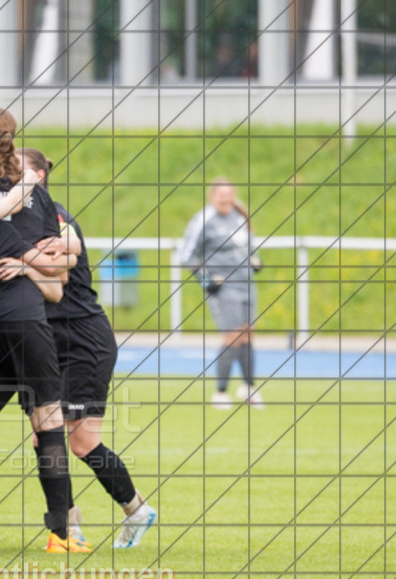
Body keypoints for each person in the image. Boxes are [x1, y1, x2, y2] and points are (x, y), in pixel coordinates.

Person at [20, 147, 158, 549]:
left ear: (38, 177)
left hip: (83, 340)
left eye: (18, 172)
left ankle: (132, 511)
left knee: (80, 441)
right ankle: (71, 523)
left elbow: (60, 264)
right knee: (43, 437)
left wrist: (23, 262)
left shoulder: (55, 216)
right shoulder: (21, 219)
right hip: (50, 342)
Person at [0, 108, 85, 554]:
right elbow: (59, 264)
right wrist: (31, 264)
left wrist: (24, 261)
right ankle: (62, 532)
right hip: (27, 318)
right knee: (48, 422)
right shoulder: (36, 194)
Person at [177, 177, 263, 409]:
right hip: (225, 287)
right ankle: (221, 392)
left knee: (248, 332)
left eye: (229, 195)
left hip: (247, 284)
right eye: (221, 195)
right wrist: (205, 278)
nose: (226, 199)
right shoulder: (204, 220)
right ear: (212, 196)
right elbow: (186, 256)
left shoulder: (239, 216)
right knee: (232, 335)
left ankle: (248, 387)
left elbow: (249, 247)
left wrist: (255, 260)